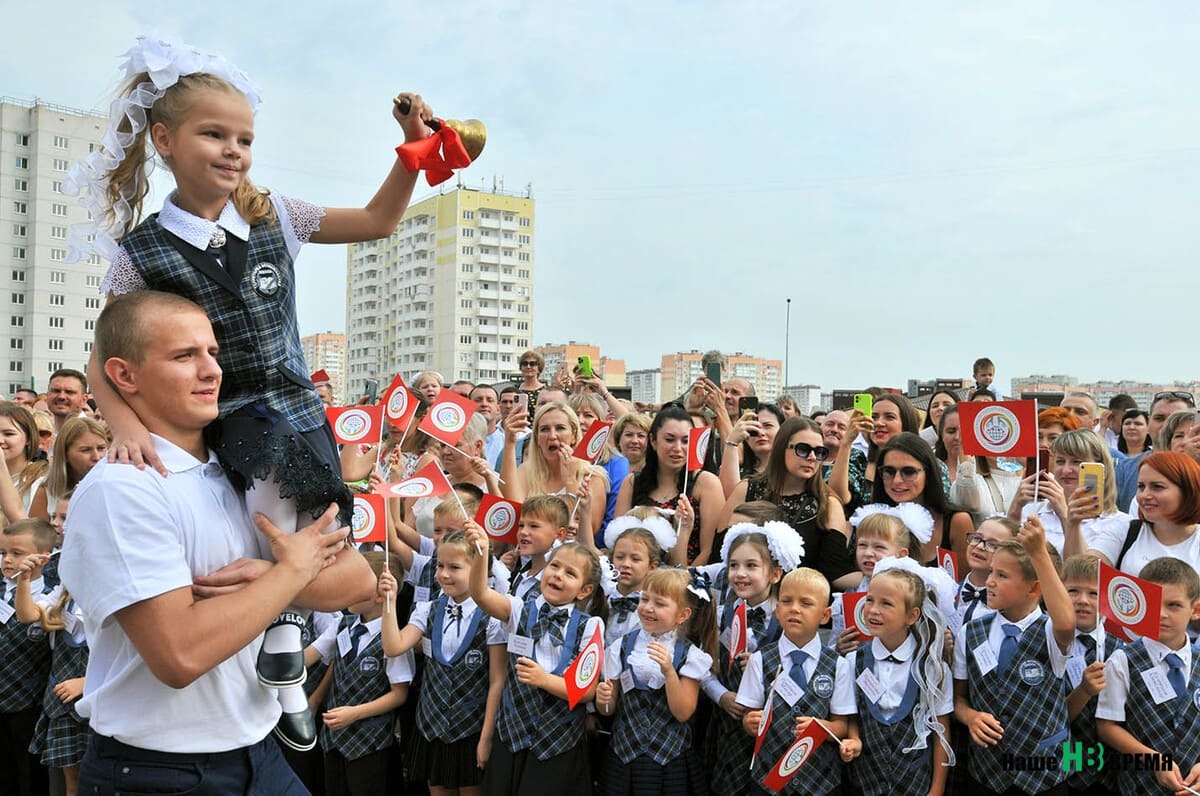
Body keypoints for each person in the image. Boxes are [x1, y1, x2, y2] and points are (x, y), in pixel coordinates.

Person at [73, 35, 435, 750]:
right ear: (165, 140)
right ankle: (279, 655)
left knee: (325, 540)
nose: (234, 150)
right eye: (214, 133)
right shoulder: (142, 252)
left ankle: (288, 638)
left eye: (244, 137)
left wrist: (411, 151)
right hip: (234, 416)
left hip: (301, 404)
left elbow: (378, 222)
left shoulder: (274, 214)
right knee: (270, 524)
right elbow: (101, 361)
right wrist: (124, 426)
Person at [61, 291, 369, 794]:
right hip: (157, 773)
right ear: (124, 375)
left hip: (257, 752)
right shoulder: (124, 488)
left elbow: (358, 581)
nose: (211, 371)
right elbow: (179, 655)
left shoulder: (245, 460)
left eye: (213, 353)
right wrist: (293, 573)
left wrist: (275, 578)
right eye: (185, 356)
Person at [465, 528, 607, 795]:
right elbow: (480, 595)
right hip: (512, 738)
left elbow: (586, 691)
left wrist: (544, 680)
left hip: (557, 746)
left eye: (570, 573)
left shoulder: (590, 627)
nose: (558, 574)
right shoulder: (519, 609)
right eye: (555, 566)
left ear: (584, 590)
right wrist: (482, 552)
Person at [379, 528, 506, 796]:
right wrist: (389, 603)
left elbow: (497, 681)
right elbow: (393, 647)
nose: (444, 574)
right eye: (440, 565)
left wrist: (486, 738)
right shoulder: (428, 609)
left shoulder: (491, 618)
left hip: (471, 727)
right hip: (432, 724)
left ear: (477, 568)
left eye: (455, 567)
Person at [953, 515, 1074, 795]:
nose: (991, 582)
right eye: (992, 572)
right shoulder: (970, 632)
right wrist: (970, 716)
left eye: (1002, 576)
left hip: (1045, 778)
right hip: (987, 775)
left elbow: (1066, 622)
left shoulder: (1051, 631)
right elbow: (958, 698)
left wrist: (1038, 552)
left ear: (1034, 588)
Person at [832, 559, 956, 796]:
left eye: (886, 603)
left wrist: (937, 789)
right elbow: (851, 716)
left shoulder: (932, 668)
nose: (874, 610)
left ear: (912, 615)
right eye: (869, 600)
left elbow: (941, 728)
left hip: (914, 785)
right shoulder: (852, 662)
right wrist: (854, 740)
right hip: (864, 783)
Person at [595, 567, 715, 795]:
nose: (648, 608)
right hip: (624, 756)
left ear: (682, 615)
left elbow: (683, 713)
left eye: (659, 604)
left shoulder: (690, 656)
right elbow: (608, 710)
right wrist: (604, 699)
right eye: (644, 599)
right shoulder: (621, 647)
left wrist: (669, 672)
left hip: (669, 761)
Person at [703, 523, 803, 793]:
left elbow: (798, 671)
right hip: (726, 723)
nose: (740, 574)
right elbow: (703, 667)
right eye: (734, 566)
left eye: (751, 566)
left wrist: (765, 667)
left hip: (769, 728)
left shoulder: (784, 619)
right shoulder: (721, 613)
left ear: (774, 574)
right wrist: (721, 696)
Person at [307, 551, 413, 796]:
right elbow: (311, 657)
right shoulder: (343, 625)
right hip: (334, 740)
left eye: (353, 584)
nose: (346, 589)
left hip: (370, 744)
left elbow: (399, 695)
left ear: (379, 594)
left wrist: (355, 713)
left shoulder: (393, 639)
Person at [735, 567, 843, 796]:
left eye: (806, 603)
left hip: (819, 782)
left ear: (825, 616)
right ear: (777, 609)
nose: (794, 608)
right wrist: (749, 722)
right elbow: (749, 714)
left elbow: (842, 724)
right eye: (786, 601)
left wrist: (824, 727)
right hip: (768, 780)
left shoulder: (838, 665)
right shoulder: (760, 660)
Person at [1097, 557, 1200, 794]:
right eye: (1155, 603)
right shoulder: (1123, 660)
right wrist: (1154, 760)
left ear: (1195, 610)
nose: (1162, 614)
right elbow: (1106, 726)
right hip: (1139, 785)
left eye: (1174, 605)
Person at [12, 507, 89, 796]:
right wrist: (24, 579)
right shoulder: (68, 583)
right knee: (72, 780)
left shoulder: (114, 582)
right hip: (62, 690)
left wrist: (87, 683)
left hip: (94, 691)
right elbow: (29, 615)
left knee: (94, 778)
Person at [720, 416, 852, 583]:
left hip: (799, 600)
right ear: (781, 448)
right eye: (803, 449)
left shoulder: (829, 504)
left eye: (819, 452)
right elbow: (719, 552)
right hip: (743, 596)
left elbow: (835, 573)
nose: (812, 457)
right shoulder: (746, 489)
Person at [1066, 451, 1200, 576]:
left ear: (1188, 490)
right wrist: (1073, 524)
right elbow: (1081, 574)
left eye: (1157, 487)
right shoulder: (1126, 530)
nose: (1145, 495)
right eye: (1141, 486)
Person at [615, 404, 718, 566]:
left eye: (685, 441)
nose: (677, 448)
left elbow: (708, 551)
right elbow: (617, 540)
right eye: (670, 440)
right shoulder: (632, 482)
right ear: (653, 441)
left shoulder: (706, 483)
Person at [0, 518, 55, 796]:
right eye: (3, 553)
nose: (7, 560)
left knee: (31, 777)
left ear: (43, 558)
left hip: (29, 706)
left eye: (16, 553)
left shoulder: (50, 599)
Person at [1008, 429, 1129, 555]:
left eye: (1077, 462)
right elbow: (1009, 558)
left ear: (1100, 468)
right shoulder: (1033, 510)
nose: (1066, 470)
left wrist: (1065, 516)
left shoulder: (1117, 523)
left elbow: (1082, 570)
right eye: (1060, 461)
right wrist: (1015, 509)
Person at [1060, 554, 1121, 795]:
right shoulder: (1045, 644)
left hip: (1110, 768)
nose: (1083, 600)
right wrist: (1083, 691)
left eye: (1094, 593)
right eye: (1073, 591)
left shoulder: (1121, 650)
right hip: (1061, 764)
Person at [872, 433, 973, 572]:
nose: (896, 480)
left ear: (928, 473)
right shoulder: (872, 519)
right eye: (888, 471)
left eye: (908, 472)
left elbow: (964, 585)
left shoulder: (957, 521)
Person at [601, 514, 673, 646]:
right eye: (620, 557)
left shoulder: (653, 607)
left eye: (635, 559)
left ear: (652, 566)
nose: (626, 564)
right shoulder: (602, 597)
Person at [1116, 392, 1196, 510]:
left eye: (1175, 419)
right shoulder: (1124, 469)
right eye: (1159, 418)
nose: (1166, 425)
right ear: (1148, 423)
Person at [28, 417, 110, 522]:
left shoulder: (114, 487)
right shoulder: (46, 490)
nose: (97, 457)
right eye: (85, 450)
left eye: (101, 448)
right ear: (65, 454)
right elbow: (36, 536)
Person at [718, 402, 785, 498]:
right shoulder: (736, 470)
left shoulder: (791, 471)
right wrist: (732, 442)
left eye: (767, 426)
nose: (760, 433)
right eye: (753, 428)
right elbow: (730, 501)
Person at [0, 404, 50, 522]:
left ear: (28, 438)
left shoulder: (39, 482)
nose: (0, 440)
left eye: (9, 434)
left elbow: (35, 536)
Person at [470, 384, 505, 469]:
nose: (484, 404)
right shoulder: (457, 443)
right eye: (478, 400)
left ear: (498, 408)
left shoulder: (507, 443)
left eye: (490, 400)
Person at [46, 369, 88, 435]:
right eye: (56, 391)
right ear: (47, 395)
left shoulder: (91, 433)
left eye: (69, 392)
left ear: (83, 399)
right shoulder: (41, 431)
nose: (61, 397)